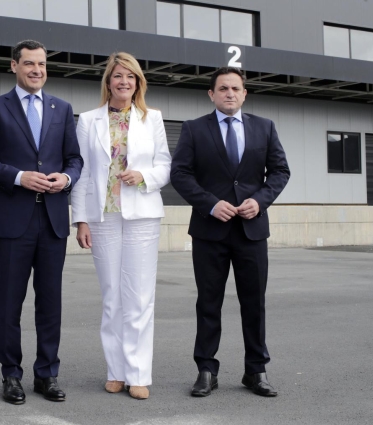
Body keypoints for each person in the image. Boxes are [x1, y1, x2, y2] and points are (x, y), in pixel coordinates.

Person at [0, 39, 83, 405]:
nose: (37, 70)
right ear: (14, 66)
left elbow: (74, 159)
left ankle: (47, 374)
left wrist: (66, 179)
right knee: (10, 303)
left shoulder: (62, 108)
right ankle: (11, 375)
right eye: (29, 64)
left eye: (42, 64)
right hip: (11, 220)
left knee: (50, 303)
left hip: (52, 220)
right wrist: (20, 177)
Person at [170, 67, 290, 398]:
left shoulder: (264, 128)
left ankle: (256, 371)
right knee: (208, 302)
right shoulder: (194, 129)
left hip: (251, 231)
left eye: (235, 88)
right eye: (222, 88)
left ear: (244, 93)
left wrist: (260, 200)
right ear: (211, 94)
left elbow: (280, 171)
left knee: (255, 303)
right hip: (210, 231)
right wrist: (210, 204)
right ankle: (206, 370)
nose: (229, 93)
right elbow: (180, 173)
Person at [71, 52, 171, 400]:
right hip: (103, 218)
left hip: (142, 215)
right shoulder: (88, 119)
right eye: (118, 76)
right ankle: (116, 371)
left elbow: (165, 165)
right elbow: (81, 172)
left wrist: (144, 175)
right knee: (112, 297)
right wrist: (80, 219)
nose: (124, 82)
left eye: (130, 77)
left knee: (140, 298)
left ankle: (138, 374)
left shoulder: (152, 118)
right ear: (108, 82)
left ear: (138, 82)